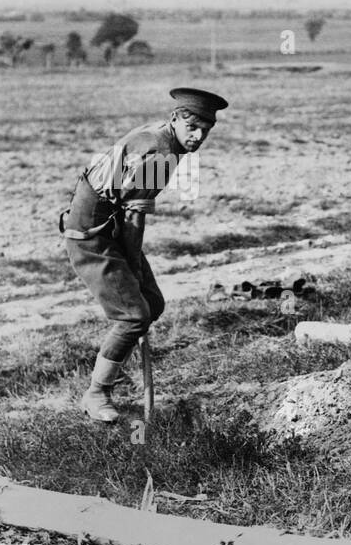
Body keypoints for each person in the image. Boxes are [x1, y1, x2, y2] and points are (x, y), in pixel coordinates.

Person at [62, 88, 228, 422]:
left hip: (108, 227)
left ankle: (112, 364)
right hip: (93, 236)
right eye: (191, 128)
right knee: (133, 316)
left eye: (204, 131)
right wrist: (133, 264)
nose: (197, 137)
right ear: (174, 119)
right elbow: (132, 218)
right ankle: (96, 395)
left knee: (153, 303)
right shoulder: (162, 154)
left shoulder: (161, 138)